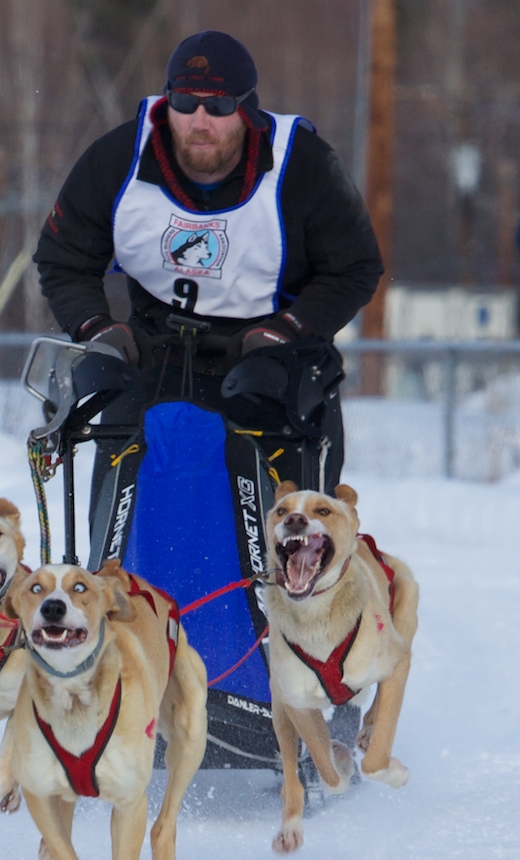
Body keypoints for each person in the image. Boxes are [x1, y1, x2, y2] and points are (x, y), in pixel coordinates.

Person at [35, 30, 383, 568]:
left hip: (269, 351)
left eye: (218, 105)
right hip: (155, 346)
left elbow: (356, 267)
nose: (200, 120)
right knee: (120, 430)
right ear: (165, 103)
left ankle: (280, 607)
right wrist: (96, 329)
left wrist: (291, 330)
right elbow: (63, 257)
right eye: (184, 102)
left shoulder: (303, 166)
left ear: (246, 109)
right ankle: (113, 589)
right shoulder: (116, 160)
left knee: (283, 484)